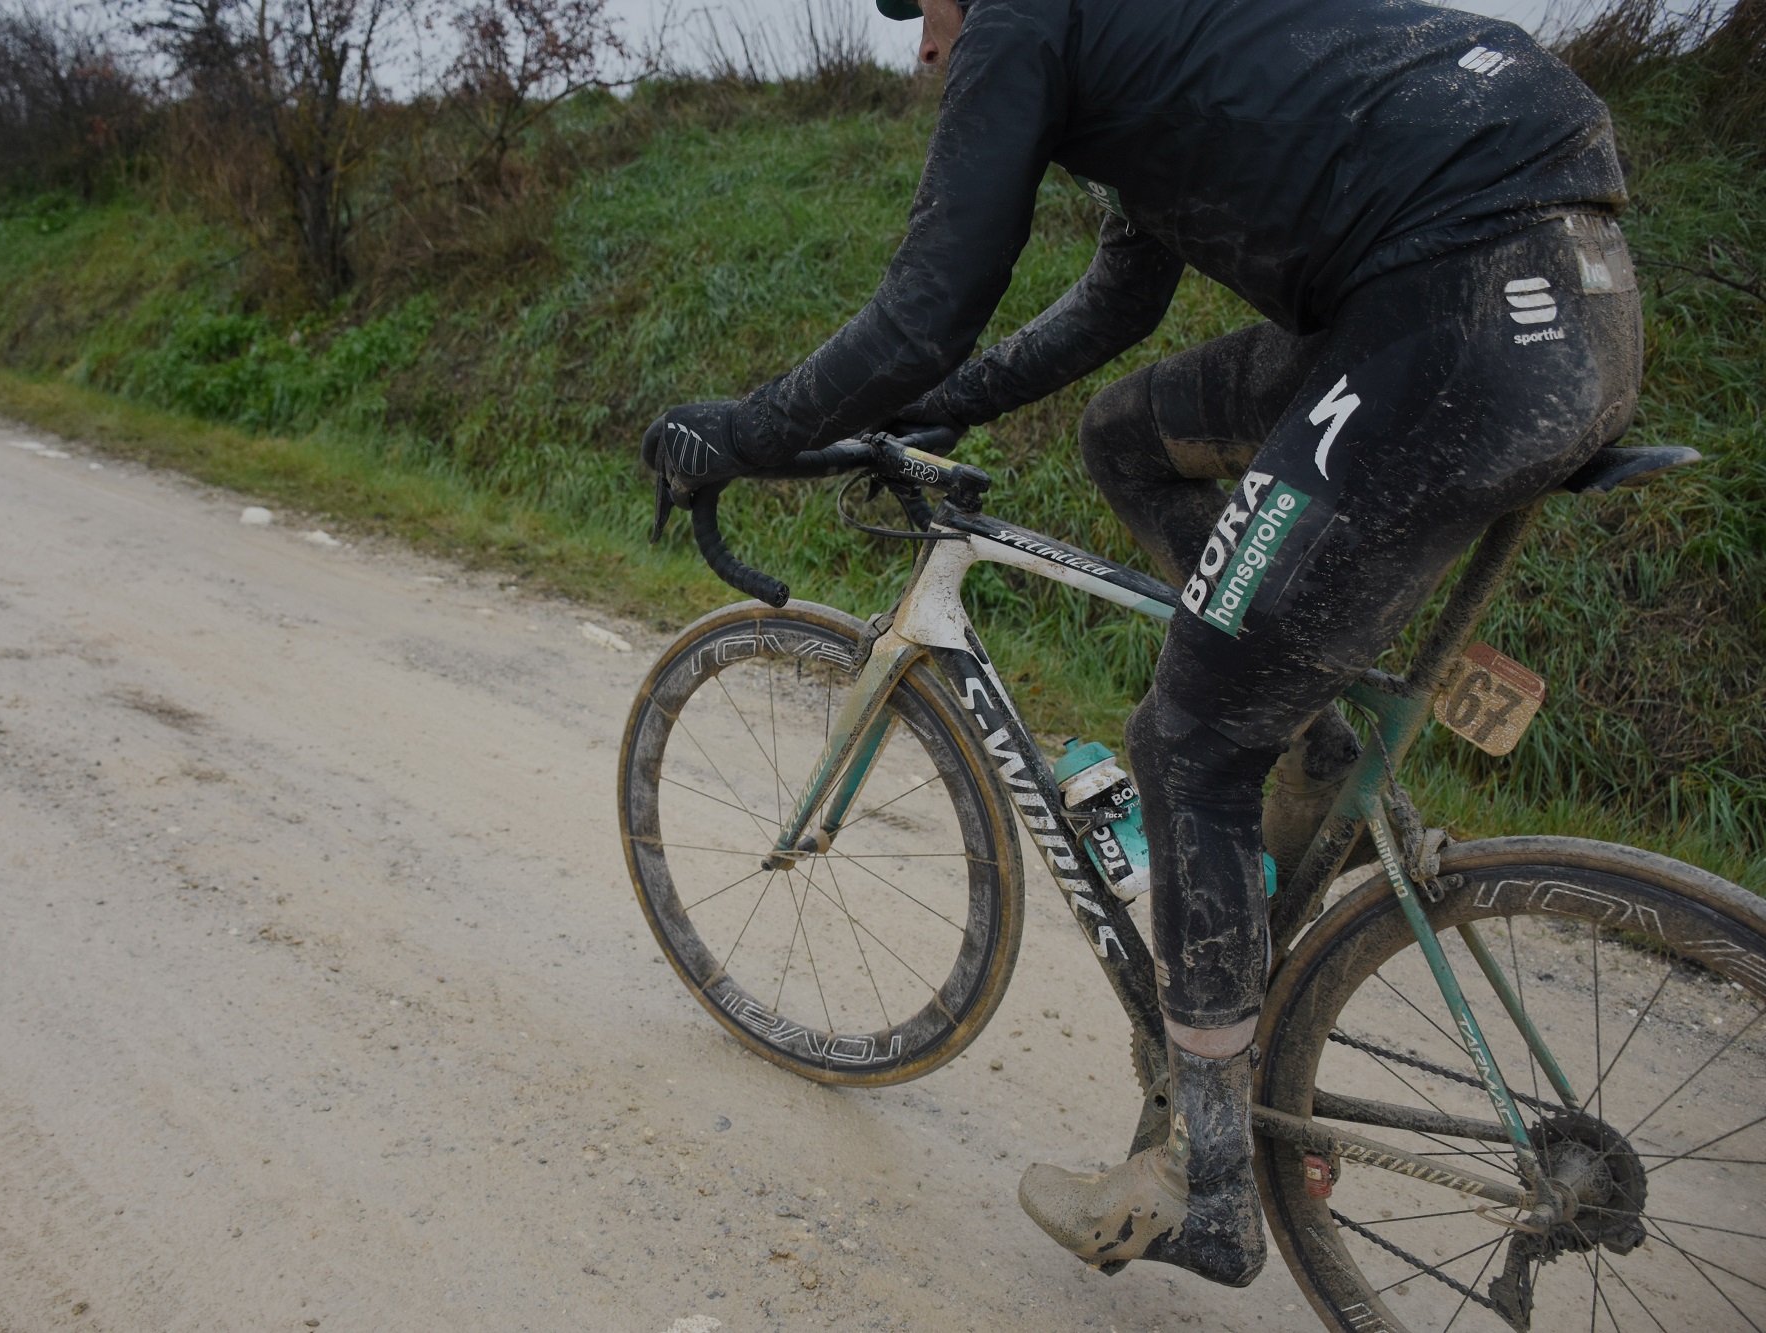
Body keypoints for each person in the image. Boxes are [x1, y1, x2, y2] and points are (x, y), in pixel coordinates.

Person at [642, 0, 1639, 1287]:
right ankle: (1311, 739)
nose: (924, 46)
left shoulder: (1023, 20)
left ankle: (1209, 1189)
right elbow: (1116, 302)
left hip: (1457, 316)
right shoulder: (1157, 33)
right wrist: (925, 413)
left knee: (1185, 745)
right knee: (1126, 436)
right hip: (1555, 294)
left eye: (922, 9)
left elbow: (924, 306)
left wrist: (746, 430)